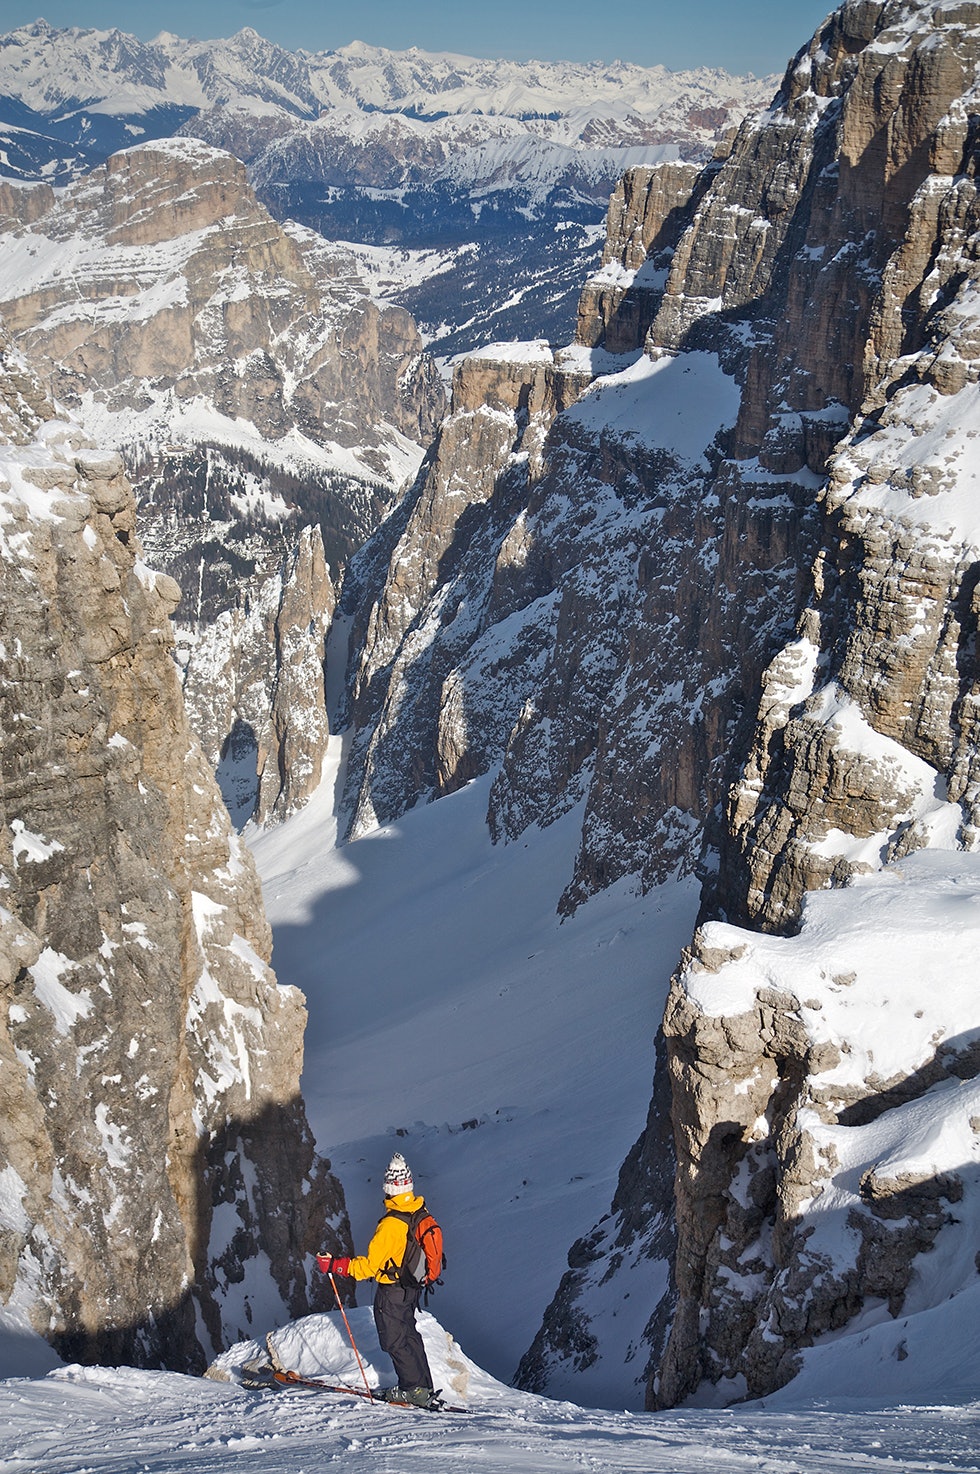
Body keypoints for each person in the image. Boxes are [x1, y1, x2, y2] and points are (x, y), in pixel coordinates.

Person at [317, 1151, 436, 1407]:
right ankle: (423, 1386)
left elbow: (369, 1267)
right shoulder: (417, 1211)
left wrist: (335, 1266)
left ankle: (412, 1390)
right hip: (411, 1287)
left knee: (394, 1339)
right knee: (409, 1335)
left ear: (389, 1188)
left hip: (392, 1289)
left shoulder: (391, 1225)